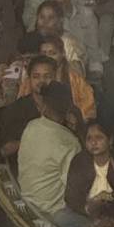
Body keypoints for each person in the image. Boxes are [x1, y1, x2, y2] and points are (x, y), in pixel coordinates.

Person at [17, 81, 81, 217]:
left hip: (27, 200)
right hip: (53, 212)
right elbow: (74, 192)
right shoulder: (69, 142)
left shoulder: (31, 126)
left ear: (44, 105)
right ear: (69, 107)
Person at [0, 55, 56, 156]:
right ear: (29, 79)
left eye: (47, 76)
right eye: (36, 76)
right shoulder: (15, 110)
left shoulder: (66, 107)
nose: (42, 81)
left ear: (55, 78)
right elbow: (5, 150)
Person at [47, 0, 102, 76]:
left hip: (79, 71)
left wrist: (96, 72)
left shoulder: (86, 14)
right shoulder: (44, 17)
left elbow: (94, 51)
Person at [37, 34, 96, 121]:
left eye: (52, 53)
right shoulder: (32, 80)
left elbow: (88, 106)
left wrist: (75, 120)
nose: (47, 57)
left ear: (63, 54)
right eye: (44, 53)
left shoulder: (74, 79)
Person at [18, 0, 86, 72]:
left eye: (50, 18)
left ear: (59, 21)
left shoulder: (68, 43)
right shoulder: (28, 40)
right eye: (42, 17)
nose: (45, 22)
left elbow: (78, 73)